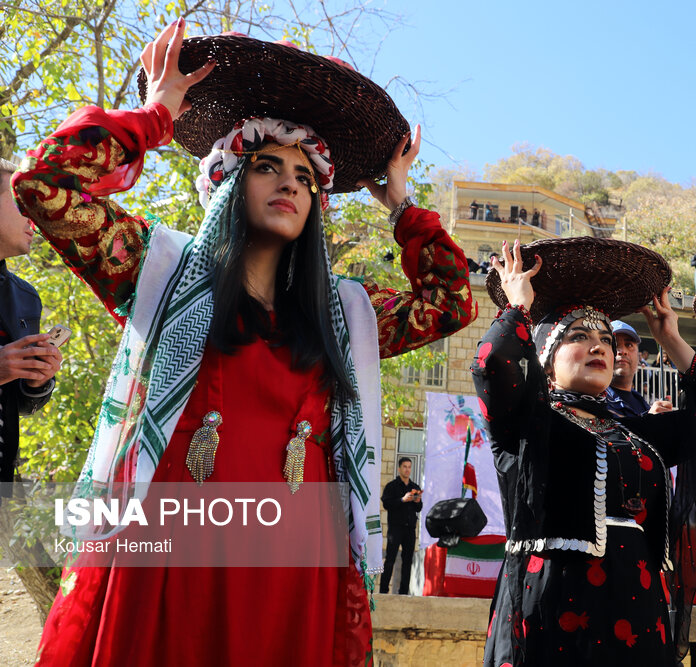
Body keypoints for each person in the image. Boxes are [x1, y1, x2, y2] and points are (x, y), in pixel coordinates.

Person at [14, 24, 476, 666]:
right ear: (229, 183)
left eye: (304, 176)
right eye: (267, 166)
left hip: (296, 565)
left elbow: (451, 302)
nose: (290, 183)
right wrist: (156, 115)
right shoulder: (159, 272)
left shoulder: (344, 316)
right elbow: (44, 183)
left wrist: (400, 204)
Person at [474, 238, 696, 666]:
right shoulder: (526, 422)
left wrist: (670, 338)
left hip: (638, 613)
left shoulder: (633, 433)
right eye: (579, 336)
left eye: (605, 340)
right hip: (555, 610)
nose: (599, 347)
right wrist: (518, 306)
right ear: (546, 359)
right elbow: (491, 362)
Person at [0, 157, 61, 489]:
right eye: (21, 204)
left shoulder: (25, 297)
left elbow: (22, 404)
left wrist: (38, 381)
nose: (33, 219)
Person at [605, 320, 671, 417]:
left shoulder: (642, 403)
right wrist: (649, 421)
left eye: (629, 345)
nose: (622, 351)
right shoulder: (594, 400)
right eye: (614, 345)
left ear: (638, 357)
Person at [379, 457, 423, 594]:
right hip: (395, 528)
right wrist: (402, 500)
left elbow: (419, 508)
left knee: (407, 560)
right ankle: (383, 591)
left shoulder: (415, 487)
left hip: (410, 529)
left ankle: (403, 592)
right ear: (399, 469)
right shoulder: (391, 486)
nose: (407, 469)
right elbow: (386, 504)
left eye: (409, 467)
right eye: (405, 467)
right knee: (390, 559)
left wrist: (417, 501)